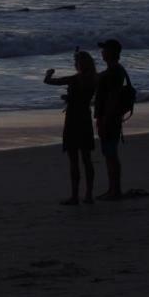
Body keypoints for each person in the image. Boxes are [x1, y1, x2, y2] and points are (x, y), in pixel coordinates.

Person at [44, 49, 98, 205]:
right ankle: (88, 195)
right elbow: (84, 98)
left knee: (74, 160)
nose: (75, 64)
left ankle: (75, 196)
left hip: (73, 119)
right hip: (85, 118)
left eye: (76, 62)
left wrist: (49, 73)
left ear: (79, 64)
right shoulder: (94, 79)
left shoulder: (75, 79)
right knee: (87, 158)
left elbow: (49, 81)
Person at [93, 39, 133, 201]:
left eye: (104, 50)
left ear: (112, 52)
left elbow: (112, 99)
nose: (102, 52)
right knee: (110, 154)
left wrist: (105, 120)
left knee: (110, 154)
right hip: (111, 117)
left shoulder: (114, 72)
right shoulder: (115, 70)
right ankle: (113, 189)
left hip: (110, 118)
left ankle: (115, 190)